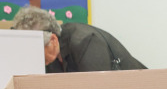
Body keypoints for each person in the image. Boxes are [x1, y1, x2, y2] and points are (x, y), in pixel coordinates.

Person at [11, 6, 147, 73]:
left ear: (53, 40)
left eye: (35, 50)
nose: (32, 57)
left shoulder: (86, 41)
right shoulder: (51, 56)